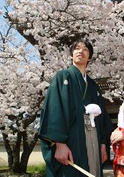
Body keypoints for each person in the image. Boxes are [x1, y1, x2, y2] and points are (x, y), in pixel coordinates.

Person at [38, 38, 113, 177]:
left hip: (93, 139)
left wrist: (103, 144)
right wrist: (59, 143)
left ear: (90, 57)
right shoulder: (62, 77)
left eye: (85, 49)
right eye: (77, 48)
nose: (81, 51)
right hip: (70, 139)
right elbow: (54, 109)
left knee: (92, 170)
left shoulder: (93, 86)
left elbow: (103, 118)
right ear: (71, 54)